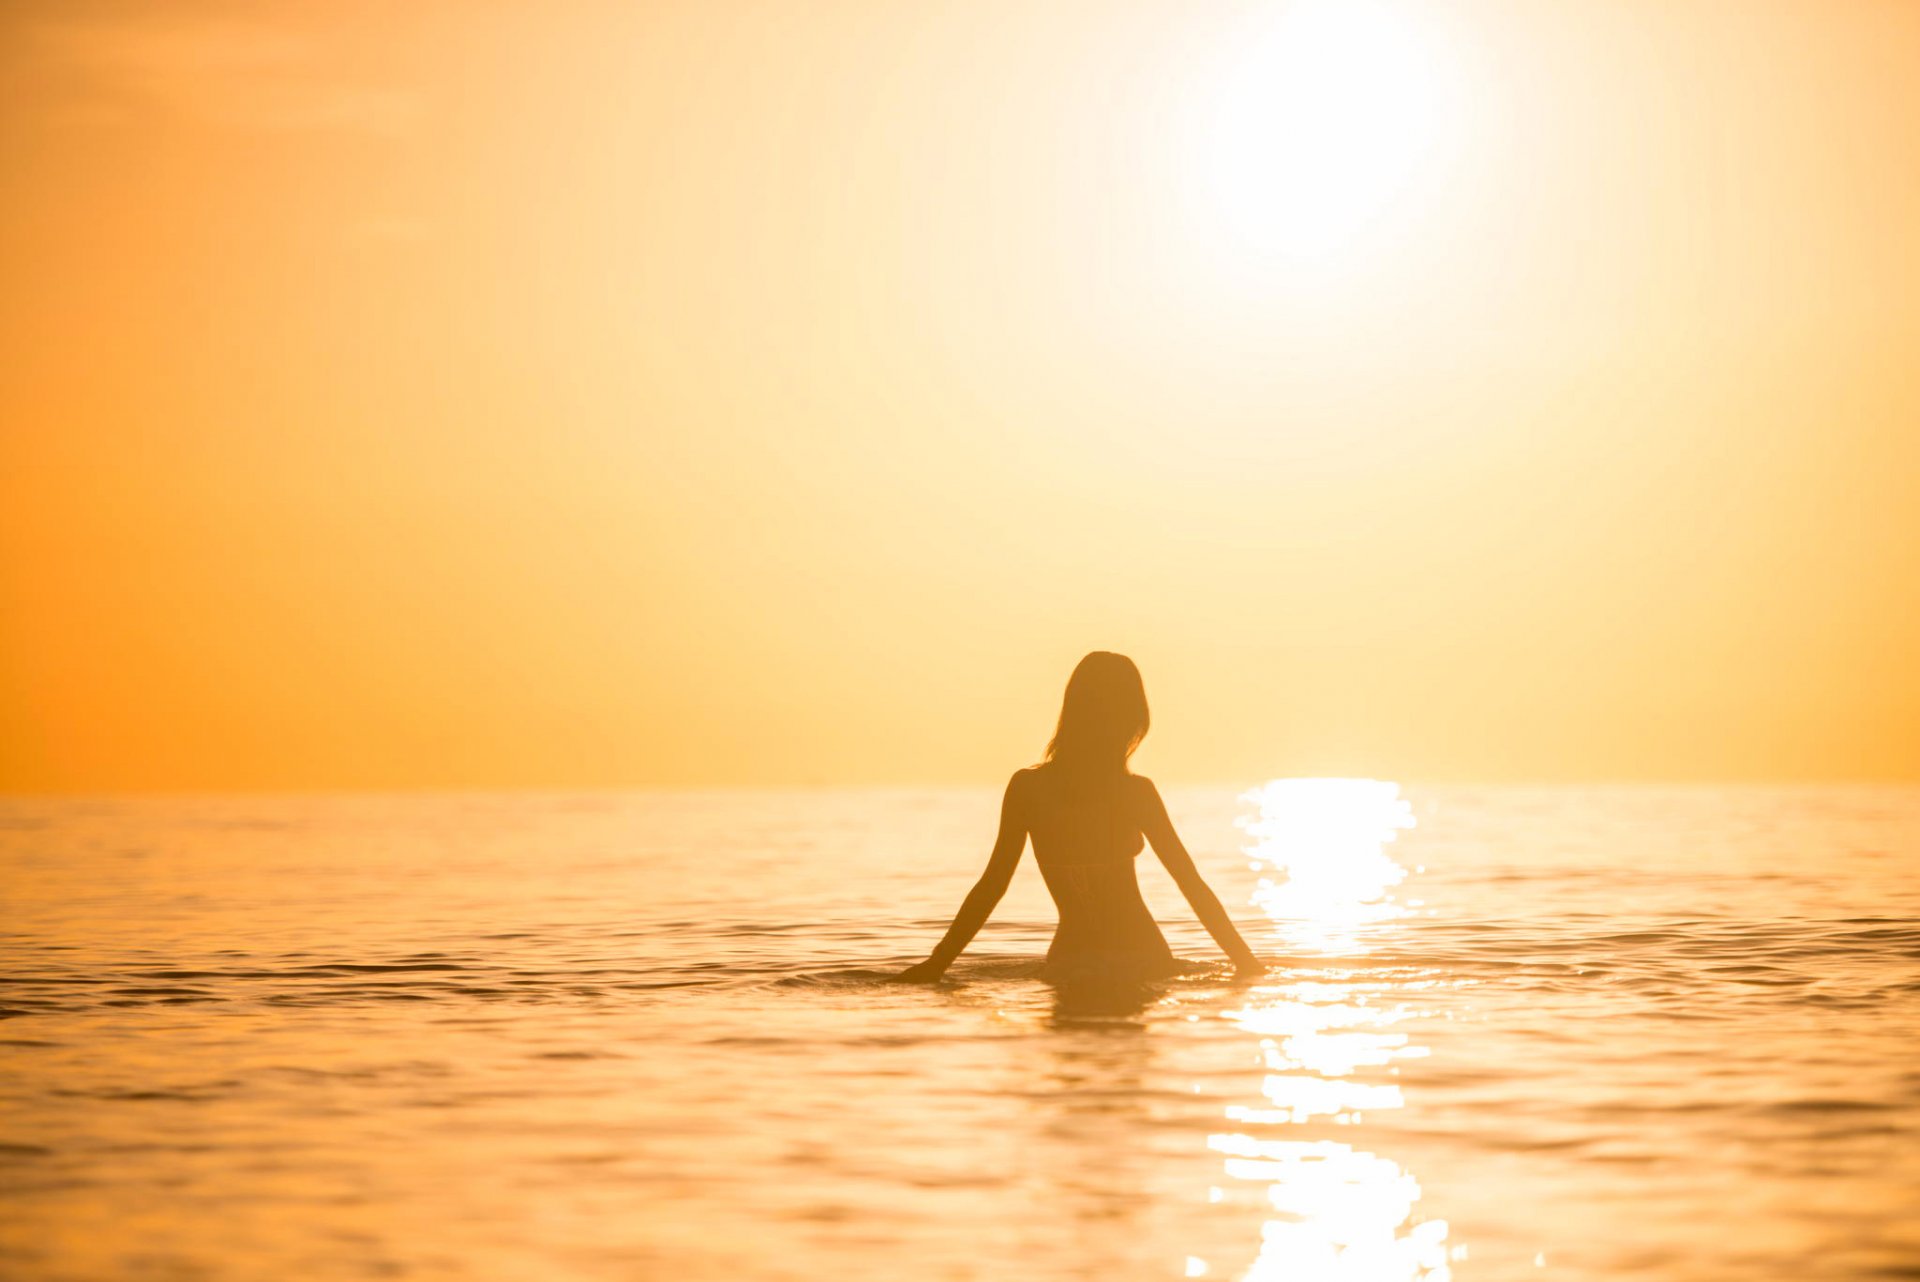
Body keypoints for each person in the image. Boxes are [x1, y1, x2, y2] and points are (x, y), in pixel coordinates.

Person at [896, 652, 1264, 984]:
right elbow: (1191, 884)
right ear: (1131, 719)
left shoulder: (1028, 787)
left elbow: (992, 885)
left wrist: (938, 964)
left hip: (1071, 961)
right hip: (1140, 958)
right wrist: (1246, 964)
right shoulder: (1135, 792)